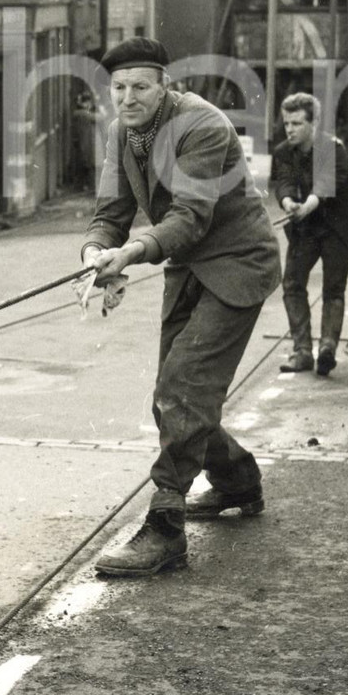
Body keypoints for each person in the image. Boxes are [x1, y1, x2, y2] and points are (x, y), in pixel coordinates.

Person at [81, 37, 281, 577]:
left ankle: (165, 529)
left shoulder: (203, 125)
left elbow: (190, 217)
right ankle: (238, 481)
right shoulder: (121, 132)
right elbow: (110, 211)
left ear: (165, 85)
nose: (127, 98)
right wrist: (97, 255)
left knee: (182, 389)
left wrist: (131, 253)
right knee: (174, 393)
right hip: (187, 267)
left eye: (140, 87)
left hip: (238, 265)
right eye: (118, 89)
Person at [271, 93, 348, 376]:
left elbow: (328, 184)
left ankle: (327, 347)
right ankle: (302, 351)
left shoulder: (333, 149)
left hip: (339, 226)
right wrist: (289, 202)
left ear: (313, 124)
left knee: (333, 288)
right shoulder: (283, 152)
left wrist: (308, 205)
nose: (290, 129)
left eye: (297, 123)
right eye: (287, 123)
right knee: (291, 284)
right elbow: (285, 183)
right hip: (307, 226)